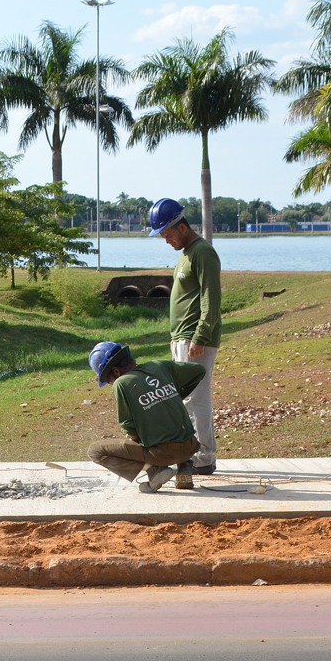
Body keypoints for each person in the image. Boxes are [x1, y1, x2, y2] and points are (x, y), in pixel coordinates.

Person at [149, 198, 221, 475]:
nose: (167, 241)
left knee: (197, 399)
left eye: (167, 235)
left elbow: (210, 298)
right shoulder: (186, 255)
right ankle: (194, 453)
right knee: (186, 399)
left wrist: (200, 336)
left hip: (195, 338)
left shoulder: (203, 253)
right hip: (183, 338)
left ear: (181, 227)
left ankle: (204, 459)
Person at [87, 341, 204, 493]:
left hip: (163, 454)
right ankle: (184, 469)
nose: (111, 384)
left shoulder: (121, 383)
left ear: (115, 371)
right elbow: (199, 370)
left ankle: (155, 471)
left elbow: (130, 426)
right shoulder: (159, 366)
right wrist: (175, 395)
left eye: (109, 381)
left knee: (95, 451)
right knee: (167, 422)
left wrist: (136, 441)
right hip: (190, 446)